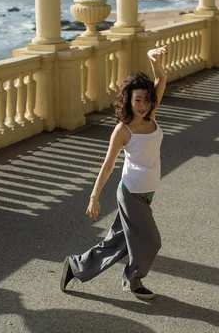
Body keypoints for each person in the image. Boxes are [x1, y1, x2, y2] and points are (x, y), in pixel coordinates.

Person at [60, 45, 168, 300]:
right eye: (137, 99)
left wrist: (152, 58)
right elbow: (108, 165)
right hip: (131, 193)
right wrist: (94, 197)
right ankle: (133, 281)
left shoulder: (150, 116)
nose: (142, 105)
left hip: (147, 192)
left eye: (146, 99)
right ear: (128, 100)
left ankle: (75, 267)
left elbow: (161, 79)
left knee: (118, 242)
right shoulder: (123, 130)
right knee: (151, 242)